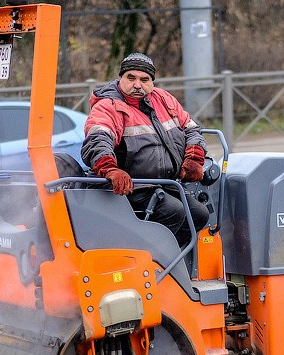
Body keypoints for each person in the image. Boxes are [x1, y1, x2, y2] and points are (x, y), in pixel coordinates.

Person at [81, 52, 210, 247]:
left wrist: (194, 156)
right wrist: (110, 169)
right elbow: (98, 139)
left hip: (164, 184)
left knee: (199, 215)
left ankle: (167, 261)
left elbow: (192, 129)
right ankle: (144, 263)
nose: (137, 84)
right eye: (131, 78)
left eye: (144, 79)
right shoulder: (107, 106)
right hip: (128, 187)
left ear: (152, 82)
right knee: (173, 211)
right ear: (120, 78)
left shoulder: (164, 99)